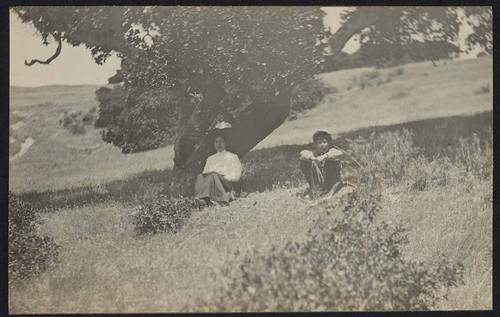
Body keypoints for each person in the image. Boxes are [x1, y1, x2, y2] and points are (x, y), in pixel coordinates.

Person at [194, 131, 242, 205]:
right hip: (212, 181)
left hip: (226, 182)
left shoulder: (232, 157)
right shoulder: (210, 158)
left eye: (221, 141)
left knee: (213, 174)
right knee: (200, 176)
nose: (219, 144)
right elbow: (205, 174)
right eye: (216, 142)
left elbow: (237, 176)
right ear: (214, 144)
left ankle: (222, 198)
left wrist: (222, 177)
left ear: (226, 143)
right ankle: (201, 199)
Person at [299, 130, 344, 198]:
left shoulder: (331, 151)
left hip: (332, 181)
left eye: (325, 142)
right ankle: (315, 189)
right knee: (305, 161)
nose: (322, 145)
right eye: (319, 142)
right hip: (320, 181)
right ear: (315, 145)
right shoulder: (314, 153)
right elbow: (303, 153)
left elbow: (339, 153)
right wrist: (313, 159)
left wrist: (324, 157)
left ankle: (329, 191)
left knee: (332, 160)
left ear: (328, 144)